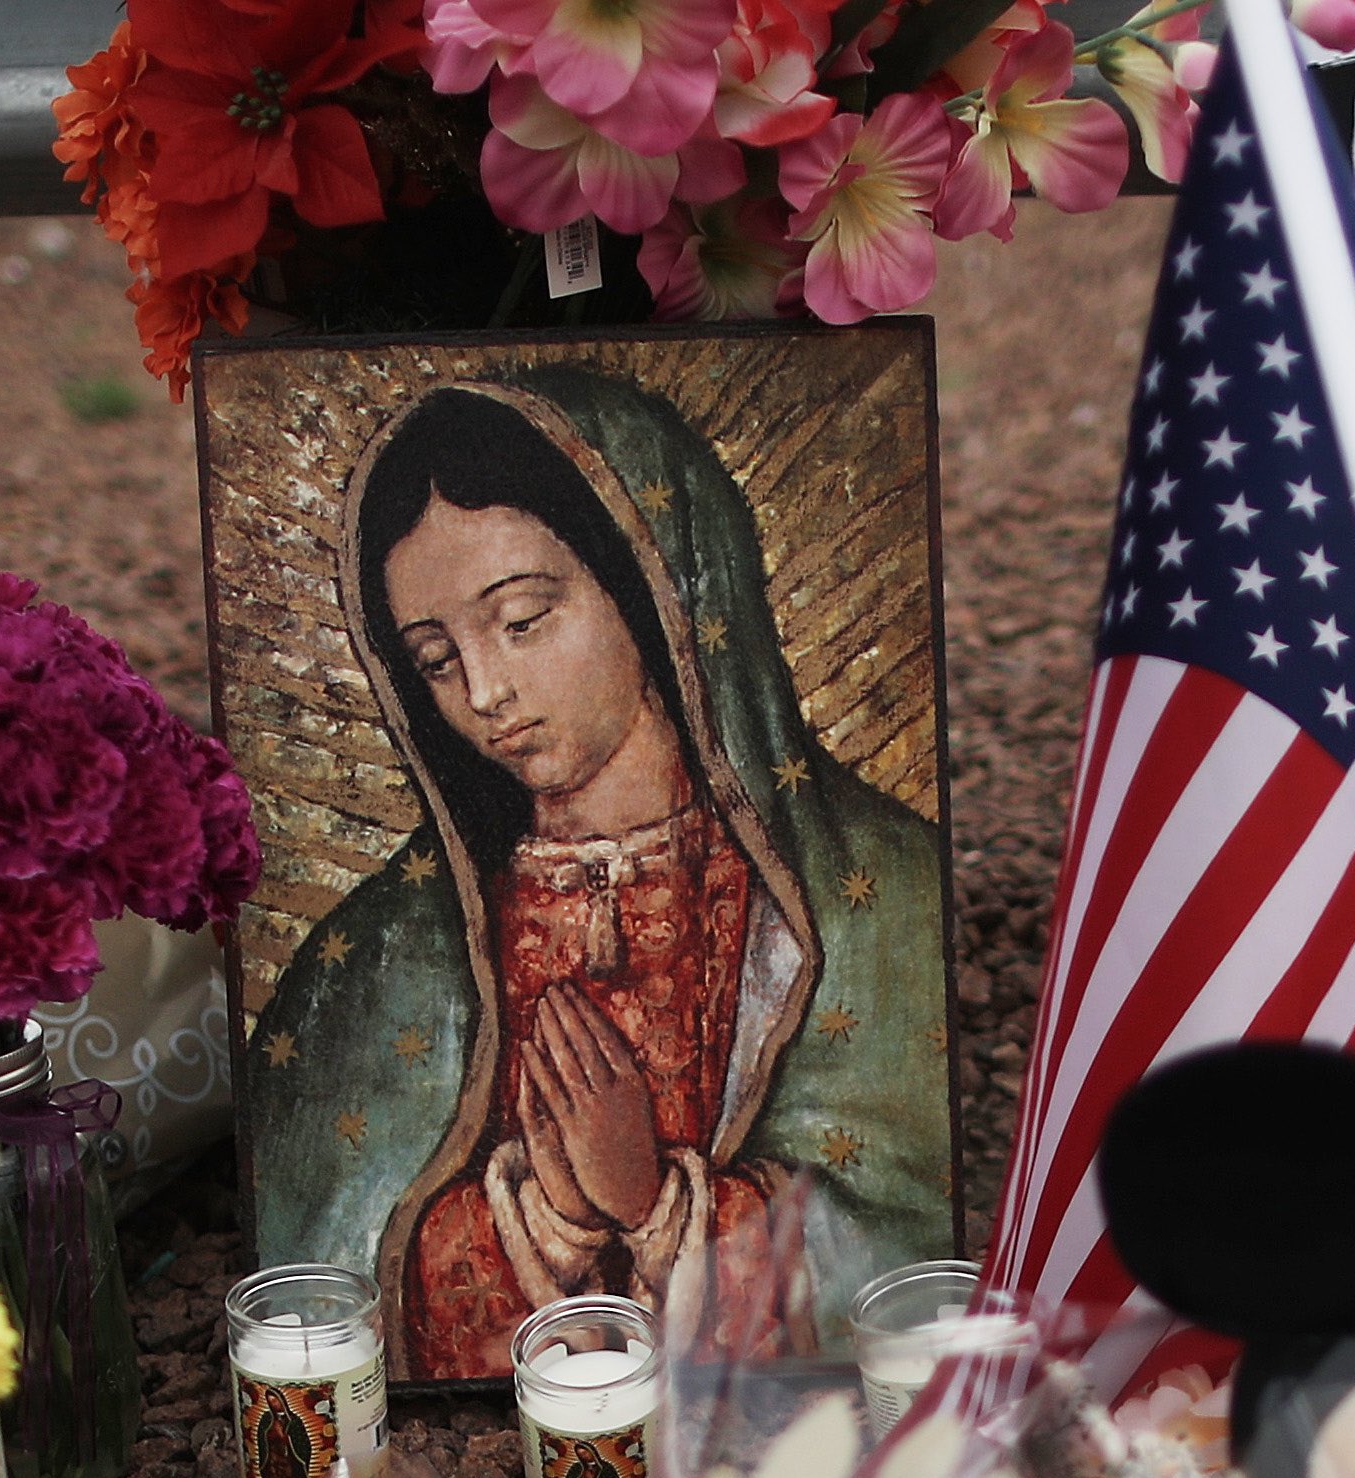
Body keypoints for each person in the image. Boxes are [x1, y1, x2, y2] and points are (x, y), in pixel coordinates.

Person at [248, 370, 949, 1383]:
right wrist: (553, 1216)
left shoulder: (882, 891)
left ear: (654, 591)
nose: (486, 693)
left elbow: (914, 1246)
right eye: (436, 660)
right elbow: (320, 1274)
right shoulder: (380, 966)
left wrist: (656, 1206)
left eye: (523, 619)